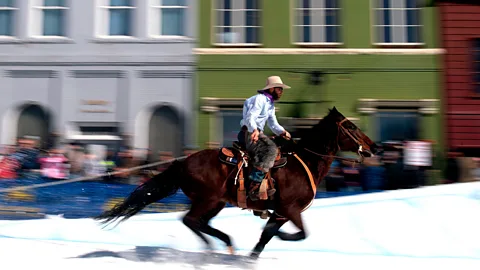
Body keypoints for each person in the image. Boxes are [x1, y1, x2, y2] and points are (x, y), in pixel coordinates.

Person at [238, 76, 291, 201]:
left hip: (256, 132)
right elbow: (251, 117)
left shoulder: (270, 104)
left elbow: (273, 124)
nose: (281, 92)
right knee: (271, 149)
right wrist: (254, 130)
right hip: (249, 132)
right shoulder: (260, 99)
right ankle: (254, 185)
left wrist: (283, 132)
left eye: (281, 90)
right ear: (272, 88)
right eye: (279, 89)